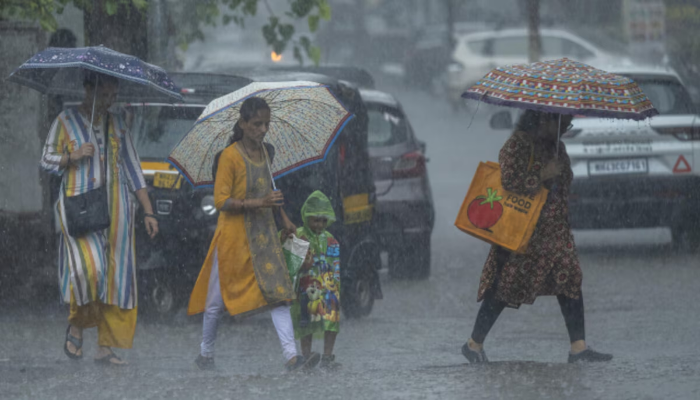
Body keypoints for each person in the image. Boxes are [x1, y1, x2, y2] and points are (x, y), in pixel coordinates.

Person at [462, 110, 613, 364]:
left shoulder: (557, 147)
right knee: (505, 286)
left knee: (570, 278)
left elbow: (564, 183)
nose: (566, 128)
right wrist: (541, 176)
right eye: (563, 122)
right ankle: (473, 344)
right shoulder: (518, 144)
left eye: (568, 123)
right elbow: (509, 180)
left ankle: (578, 348)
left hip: (554, 231)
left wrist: (559, 173)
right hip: (524, 230)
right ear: (545, 120)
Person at [41, 71, 159, 366]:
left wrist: (148, 210)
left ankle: (105, 347)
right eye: (105, 95)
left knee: (115, 278)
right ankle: (77, 326)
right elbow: (46, 160)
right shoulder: (65, 121)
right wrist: (73, 156)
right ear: (88, 90)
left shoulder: (117, 123)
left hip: (118, 210)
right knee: (87, 271)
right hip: (78, 206)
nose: (110, 101)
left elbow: (133, 168)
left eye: (113, 96)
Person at [188, 97, 309, 372]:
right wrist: (259, 203)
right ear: (242, 124)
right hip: (233, 239)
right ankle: (205, 354)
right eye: (257, 124)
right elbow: (221, 201)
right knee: (217, 302)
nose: (263, 129)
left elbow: (271, 196)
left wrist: (285, 218)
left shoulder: (267, 153)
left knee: (280, 294)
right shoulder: (229, 157)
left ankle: (291, 356)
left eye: (267, 124)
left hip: (265, 236)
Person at [290, 191, 342, 370]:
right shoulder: (298, 236)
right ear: (306, 217)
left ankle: (327, 356)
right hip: (307, 287)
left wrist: (334, 289)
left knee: (332, 318)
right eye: (315, 220)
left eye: (323, 220)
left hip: (328, 287)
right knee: (307, 321)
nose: (319, 225)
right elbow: (292, 263)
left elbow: (335, 267)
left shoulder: (331, 240)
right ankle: (306, 355)